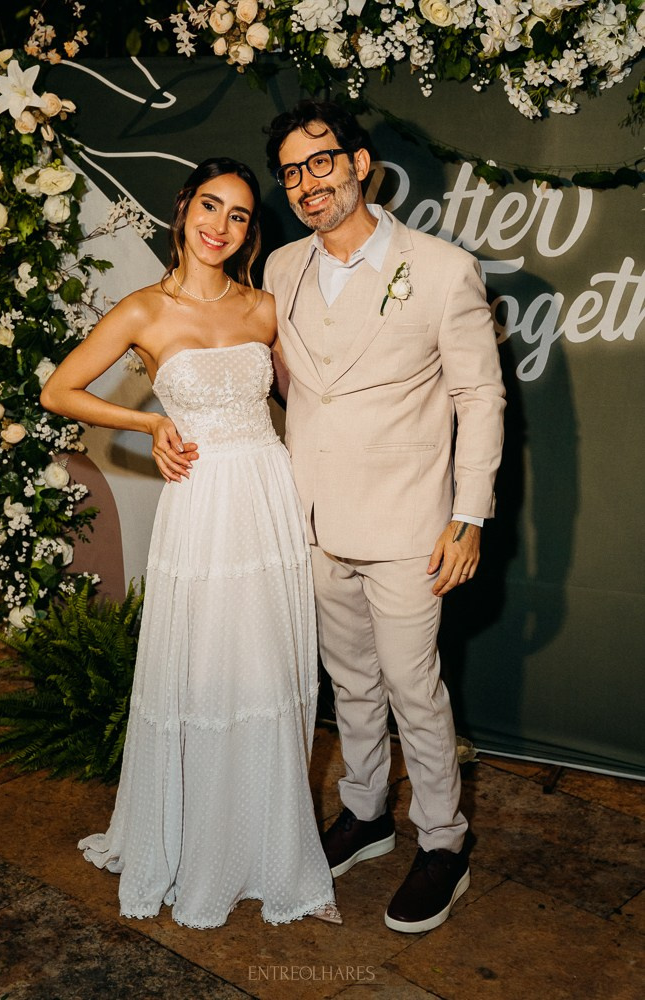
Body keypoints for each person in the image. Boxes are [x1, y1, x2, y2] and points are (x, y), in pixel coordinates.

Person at [41, 157, 340, 929]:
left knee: (267, 671)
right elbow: (58, 390)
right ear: (183, 209)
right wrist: (149, 423)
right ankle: (196, 841)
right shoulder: (143, 310)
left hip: (267, 498)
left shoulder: (264, 306)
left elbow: (310, 399)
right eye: (210, 206)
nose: (220, 226)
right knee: (204, 674)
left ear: (249, 230)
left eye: (238, 215)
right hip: (202, 505)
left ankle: (265, 843)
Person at [262, 101, 506, 934]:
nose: (306, 183)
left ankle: (442, 841)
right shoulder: (281, 268)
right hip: (313, 518)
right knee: (351, 683)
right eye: (290, 172)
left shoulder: (440, 268)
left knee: (412, 687)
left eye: (320, 162)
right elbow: (289, 385)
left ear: (360, 164)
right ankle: (365, 812)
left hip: (410, 522)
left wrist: (467, 516)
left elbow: (479, 397)